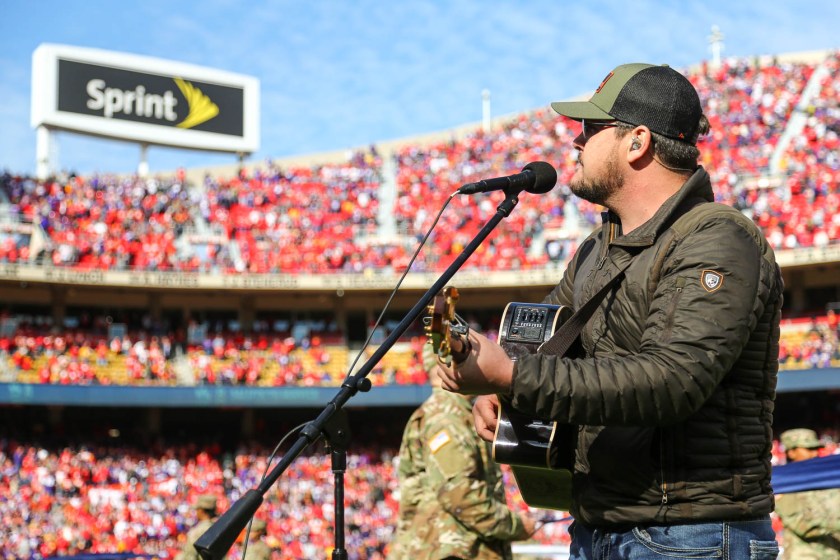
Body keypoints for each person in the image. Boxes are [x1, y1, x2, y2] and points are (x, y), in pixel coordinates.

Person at [438, 62, 785, 559]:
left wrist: (513, 376)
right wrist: (502, 391)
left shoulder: (718, 238)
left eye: (590, 129)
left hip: (691, 536)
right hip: (597, 527)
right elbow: (545, 345)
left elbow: (671, 381)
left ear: (637, 141)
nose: (576, 143)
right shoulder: (596, 249)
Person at [389, 343, 534, 560]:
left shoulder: (451, 412)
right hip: (452, 551)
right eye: (476, 359)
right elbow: (460, 494)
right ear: (453, 364)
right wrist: (516, 525)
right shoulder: (446, 417)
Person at [775, 429, 840, 559]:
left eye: (815, 449)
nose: (814, 453)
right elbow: (802, 525)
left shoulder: (827, 479)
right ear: (791, 452)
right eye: (808, 449)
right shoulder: (786, 484)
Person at [177, 494, 220, 560]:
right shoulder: (219, 527)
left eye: (197, 509)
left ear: (201, 511)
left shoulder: (198, 531)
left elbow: (190, 556)